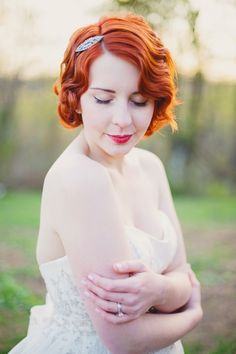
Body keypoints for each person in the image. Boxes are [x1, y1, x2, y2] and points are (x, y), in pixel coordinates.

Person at [9, 13, 202, 354]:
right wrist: (194, 313)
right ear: (77, 96)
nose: (123, 119)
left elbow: (180, 279)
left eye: (139, 100)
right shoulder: (79, 179)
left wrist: (158, 290)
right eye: (103, 98)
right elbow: (123, 339)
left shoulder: (151, 167)